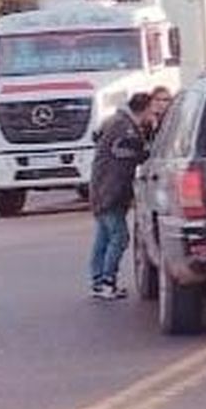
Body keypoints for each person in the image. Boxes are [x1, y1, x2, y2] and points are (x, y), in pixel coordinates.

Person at [87, 93, 151, 300]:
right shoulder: (125, 128)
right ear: (145, 109)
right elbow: (135, 154)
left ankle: (98, 282)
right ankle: (107, 282)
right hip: (110, 192)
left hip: (102, 189)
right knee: (119, 237)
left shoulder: (117, 122)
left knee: (104, 237)